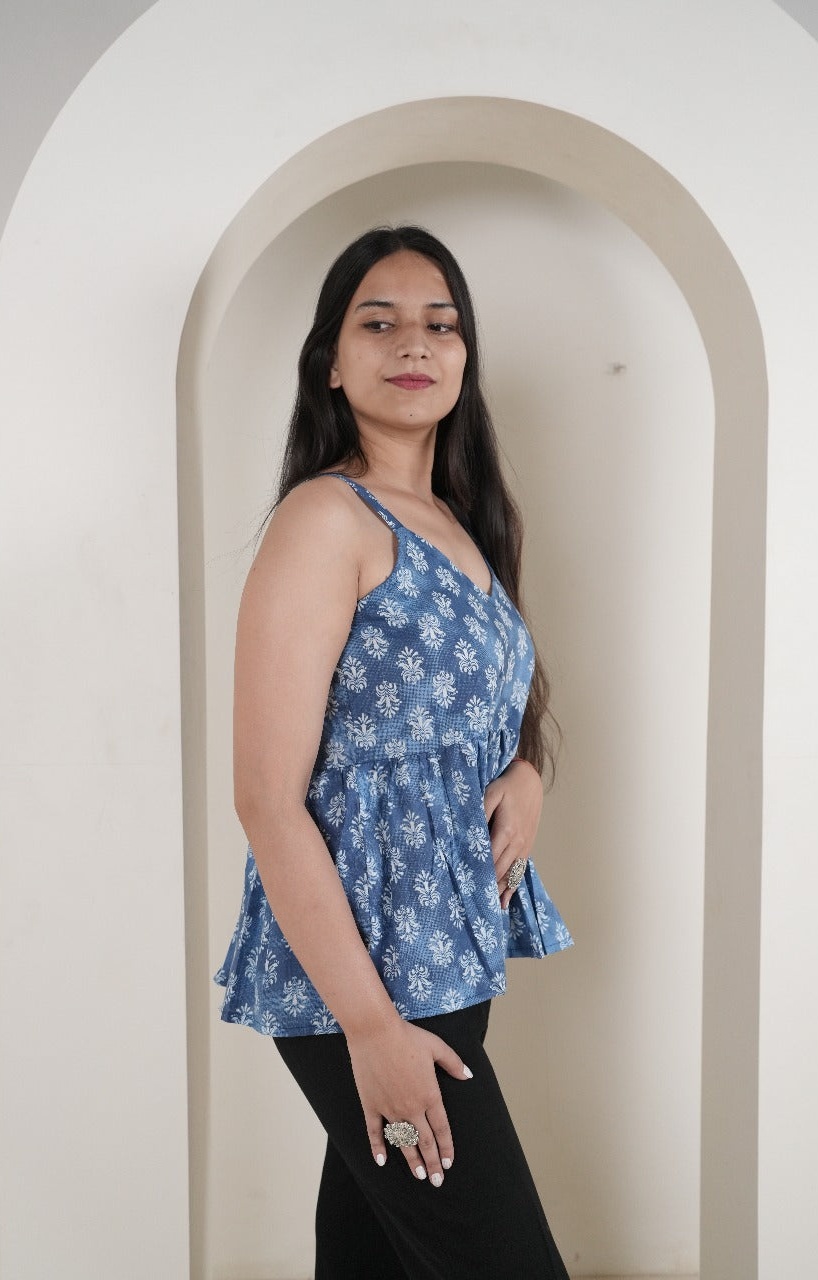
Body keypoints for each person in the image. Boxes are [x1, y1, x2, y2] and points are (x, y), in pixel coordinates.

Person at [213, 225, 574, 1279]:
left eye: (440, 322)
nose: (413, 342)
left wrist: (529, 774)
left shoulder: (465, 519)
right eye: (378, 321)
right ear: (331, 359)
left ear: (465, 358)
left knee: (376, 1256)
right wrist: (368, 1028)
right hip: (361, 978)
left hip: (447, 951)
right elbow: (266, 799)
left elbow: (488, 704)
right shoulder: (325, 519)